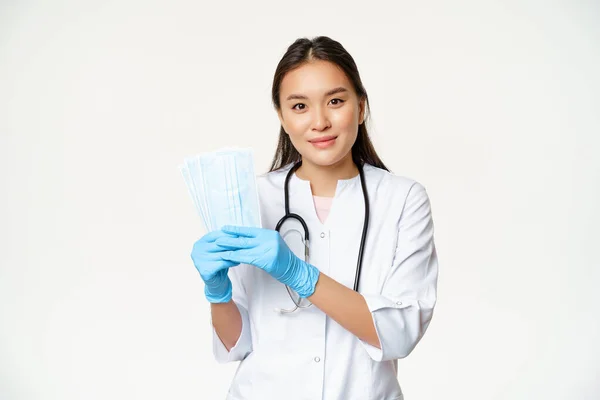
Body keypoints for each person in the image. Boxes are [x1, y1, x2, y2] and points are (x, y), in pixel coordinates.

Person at [190, 36, 439, 400]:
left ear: (361, 106)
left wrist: (298, 274)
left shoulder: (402, 200)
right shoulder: (256, 198)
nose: (319, 122)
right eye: (300, 106)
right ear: (282, 116)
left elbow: (400, 331)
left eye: (335, 101)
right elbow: (236, 343)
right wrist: (217, 292)